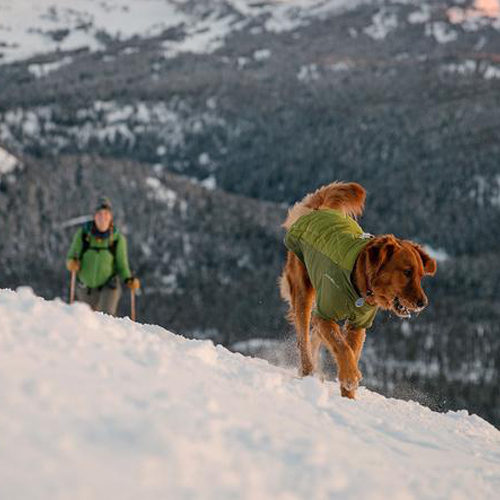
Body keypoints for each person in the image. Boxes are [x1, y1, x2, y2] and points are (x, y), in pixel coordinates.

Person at [66, 197, 140, 316]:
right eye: (99, 213)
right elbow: (72, 256)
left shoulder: (117, 239)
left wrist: (128, 279)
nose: (102, 217)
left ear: (110, 217)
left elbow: (122, 265)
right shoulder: (84, 234)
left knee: (106, 316)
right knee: (86, 319)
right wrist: (72, 263)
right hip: (86, 287)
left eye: (106, 213)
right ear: (94, 216)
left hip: (109, 285)